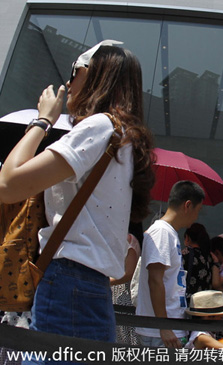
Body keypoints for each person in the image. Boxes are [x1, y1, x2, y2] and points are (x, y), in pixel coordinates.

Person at [0, 40, 155, 344]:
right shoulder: (124, 137)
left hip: (67, 279)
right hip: (89, 286)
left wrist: (43, 119)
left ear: (97, 74)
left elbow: (8, 184)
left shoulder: (99, 126)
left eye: (75, 71)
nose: (69, 83)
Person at [135, 180, 205, 348]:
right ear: (188, 205)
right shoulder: (161, 232)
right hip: (160, 332)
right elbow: (155, 280)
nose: (196, 217)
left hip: (167, 328)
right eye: (198, 210)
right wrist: (164, 326)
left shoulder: (169, 233)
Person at [111, 222, 144, 345]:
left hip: (124, 293)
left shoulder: (129, 240)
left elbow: (128, 273)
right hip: (121, 292)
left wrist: (108, 282)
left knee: (125, 335)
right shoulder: (132, 240)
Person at [182, 222, 214, 304]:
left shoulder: (185, 254)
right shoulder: (209, 256)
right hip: (206, 301)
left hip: (190, 301)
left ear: (187, 238)